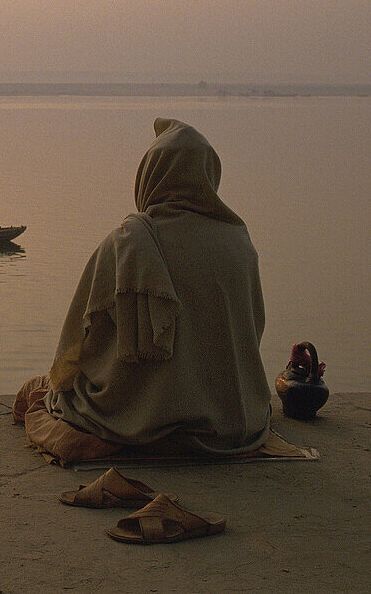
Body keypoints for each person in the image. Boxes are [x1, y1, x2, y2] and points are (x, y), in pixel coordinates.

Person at [14, 118, 270, 462]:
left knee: (37, 392)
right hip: (233, 423)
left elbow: (77, 346)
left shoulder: (126, 245)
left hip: (134, 423)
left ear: (151, 174)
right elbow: (252, 331)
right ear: (210, 176)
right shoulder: (239, 243)